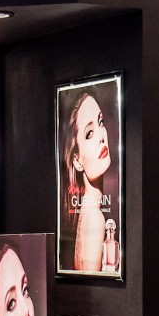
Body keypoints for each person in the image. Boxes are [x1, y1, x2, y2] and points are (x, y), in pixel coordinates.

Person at [62, 91, 115, 273]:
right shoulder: (95, 219)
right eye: (89, 133)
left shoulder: (87, 213)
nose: (101, 135)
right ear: (76, 159)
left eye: (100, 122)